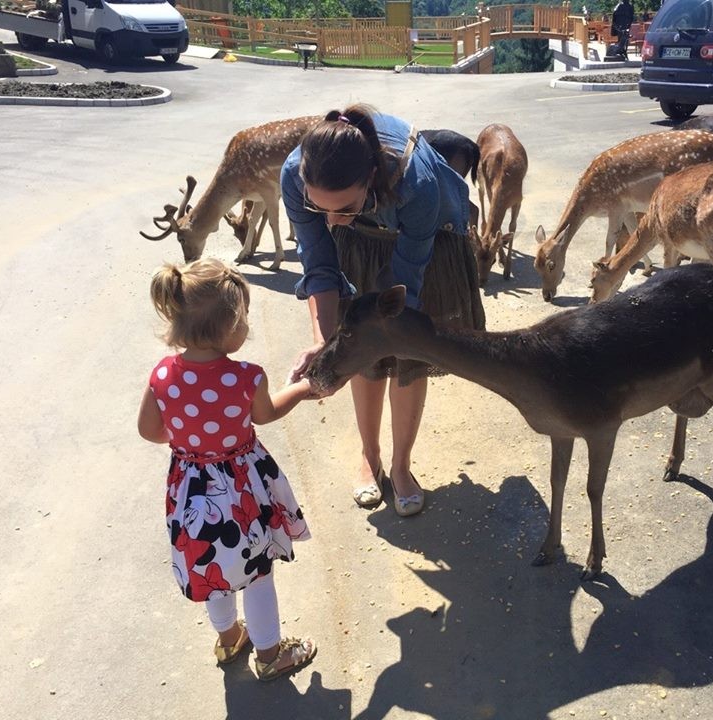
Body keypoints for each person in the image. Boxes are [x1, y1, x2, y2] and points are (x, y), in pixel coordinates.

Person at [280, 105, 485, 518]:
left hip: (422, 243)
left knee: (406, 355)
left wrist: (362, 341)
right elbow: (319, 264)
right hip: (361, 238)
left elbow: (406, 280)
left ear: (371, 178)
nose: (331, 219)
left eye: (343, 205)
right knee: (363, 361)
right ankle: (369, 456)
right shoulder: (295, 174)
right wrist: (327, 345)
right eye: (320, 209)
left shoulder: (417, 181)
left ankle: (400, 464)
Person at [137, 258, 318, 682]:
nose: (248, 327)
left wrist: (187, 443)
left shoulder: (163, 376)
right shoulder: (245, 377)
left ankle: (230, 637)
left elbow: (149, 430)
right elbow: (267, 413)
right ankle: (271, 654)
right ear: (226, 327)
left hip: (192, 492)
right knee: (256, 573)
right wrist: (305, 387)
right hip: (241, 493)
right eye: (245, 319)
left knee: (211, 570)